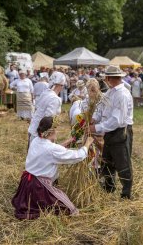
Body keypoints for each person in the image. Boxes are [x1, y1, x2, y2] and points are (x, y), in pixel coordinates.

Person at [11, 116, 94, 220]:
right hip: (39, 186)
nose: (57, 132)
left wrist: (68, 141)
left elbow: (50, 150)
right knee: (70, 209)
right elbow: (77, 156)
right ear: (51, 133)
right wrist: (87, 144)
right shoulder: (51, 149)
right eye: (56, 130)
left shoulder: (36, 140)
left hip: (26, 182)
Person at [89, 65, 134, 199]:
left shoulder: (122, 94)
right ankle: (109, 187)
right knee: (107, 160)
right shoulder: (110, 92)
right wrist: (94, 118)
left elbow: (116, 120)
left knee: (122, 162)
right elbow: (101, 107)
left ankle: (126, 194)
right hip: (110, 131)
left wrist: (96, 128)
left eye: (106, 78)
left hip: (121, 132)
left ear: (109, 78)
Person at [28, 71, 65, 143]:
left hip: (34, 127)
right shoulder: (55, 99)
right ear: (60, 85)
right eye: (62, 85)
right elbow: (48, 119)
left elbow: (37, 109)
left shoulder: (45, 93)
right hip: (41, 134)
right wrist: (50, 137)